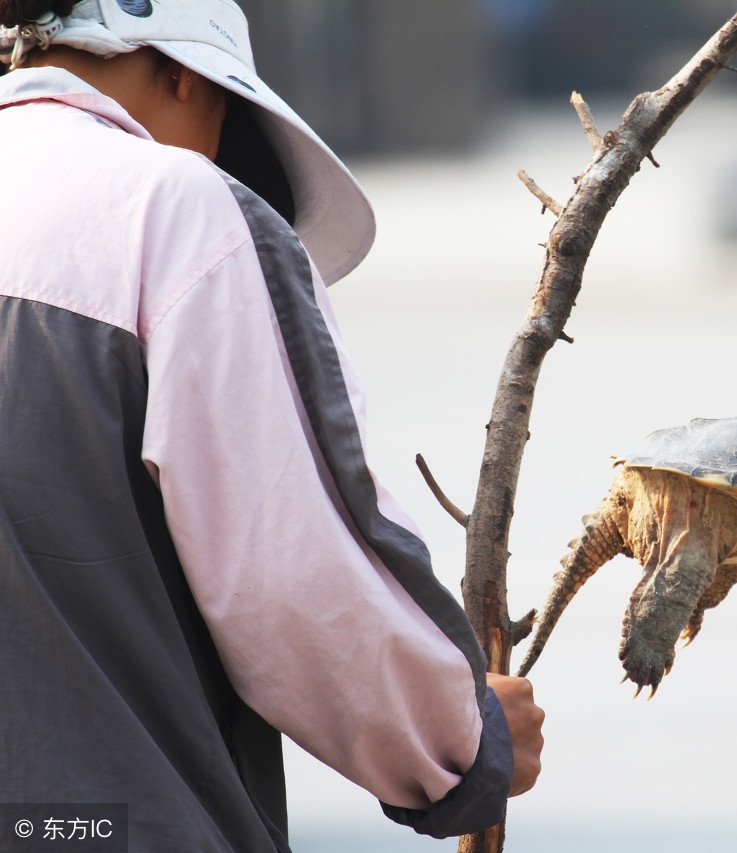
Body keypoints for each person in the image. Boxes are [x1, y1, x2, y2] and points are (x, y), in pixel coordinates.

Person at [0, 1, 544, 849]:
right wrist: (463, 740)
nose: (219, 154)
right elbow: (294, 573)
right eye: (227, 115)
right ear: (182, 73)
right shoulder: (174, 211)